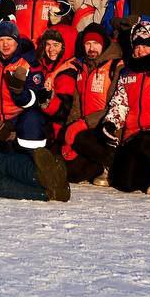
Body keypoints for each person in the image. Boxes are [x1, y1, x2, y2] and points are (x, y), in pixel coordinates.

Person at [99, 18, 150, 197]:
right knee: (124, 183)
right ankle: (146, 176)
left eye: (145, 45)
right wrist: (111, 123)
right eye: (137, 45)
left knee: (144, 145)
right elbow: (120, 103)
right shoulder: (127, 72)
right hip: (132, 135)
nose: (140, 50)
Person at [60, 25, 124, 184]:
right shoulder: (82, 67)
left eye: (96, 43)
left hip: (108, 130)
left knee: (81, 138)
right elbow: (76, 106)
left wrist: (82, 124)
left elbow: (115, 107)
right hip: (87, 132)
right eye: (88, 44)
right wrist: (69, 131)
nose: (91, 48)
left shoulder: (116, 66)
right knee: (72, 174)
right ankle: (98, 166)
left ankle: (114, 164)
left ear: (104, 44)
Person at [0, 21, 46, 152]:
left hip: (18, 116)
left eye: (9, 39)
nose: (5, 44)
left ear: (17, 41)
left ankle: (33, 157)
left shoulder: (28, 62)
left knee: (33, 119)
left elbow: (36, 99)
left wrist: (20, 93)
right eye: (1, 39)